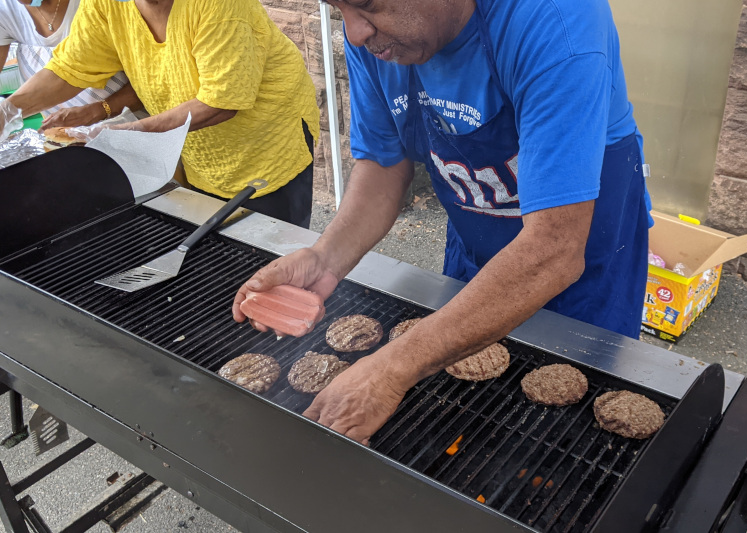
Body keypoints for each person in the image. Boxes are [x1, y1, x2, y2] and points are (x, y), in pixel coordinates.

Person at [233, 0, 652, 443]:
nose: (354, 33)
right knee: (469, 417)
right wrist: (325, 258)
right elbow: (383, 164)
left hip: (583, 267)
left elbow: (554, 250)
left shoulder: (555, 19)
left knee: (569, 438)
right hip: (477, 236)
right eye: (339, 10)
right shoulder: (378, 40)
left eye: (366, 5)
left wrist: (393, 367)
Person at [0, 0, 320, 227]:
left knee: (268, 257)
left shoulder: (220, 5)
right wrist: (10, 107)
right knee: (217, 252)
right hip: (200, 154)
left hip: (267, 147)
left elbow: (220, 102)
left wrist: (124, 133)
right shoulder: (108, 4)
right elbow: (71, 67)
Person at [0, 0, 142, 128]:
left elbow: (153, 81)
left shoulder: (101, 6)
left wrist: (100, 110)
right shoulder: (5, 9)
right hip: (68, 135)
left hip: (135, 125)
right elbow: (65, 70)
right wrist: (6, 112)